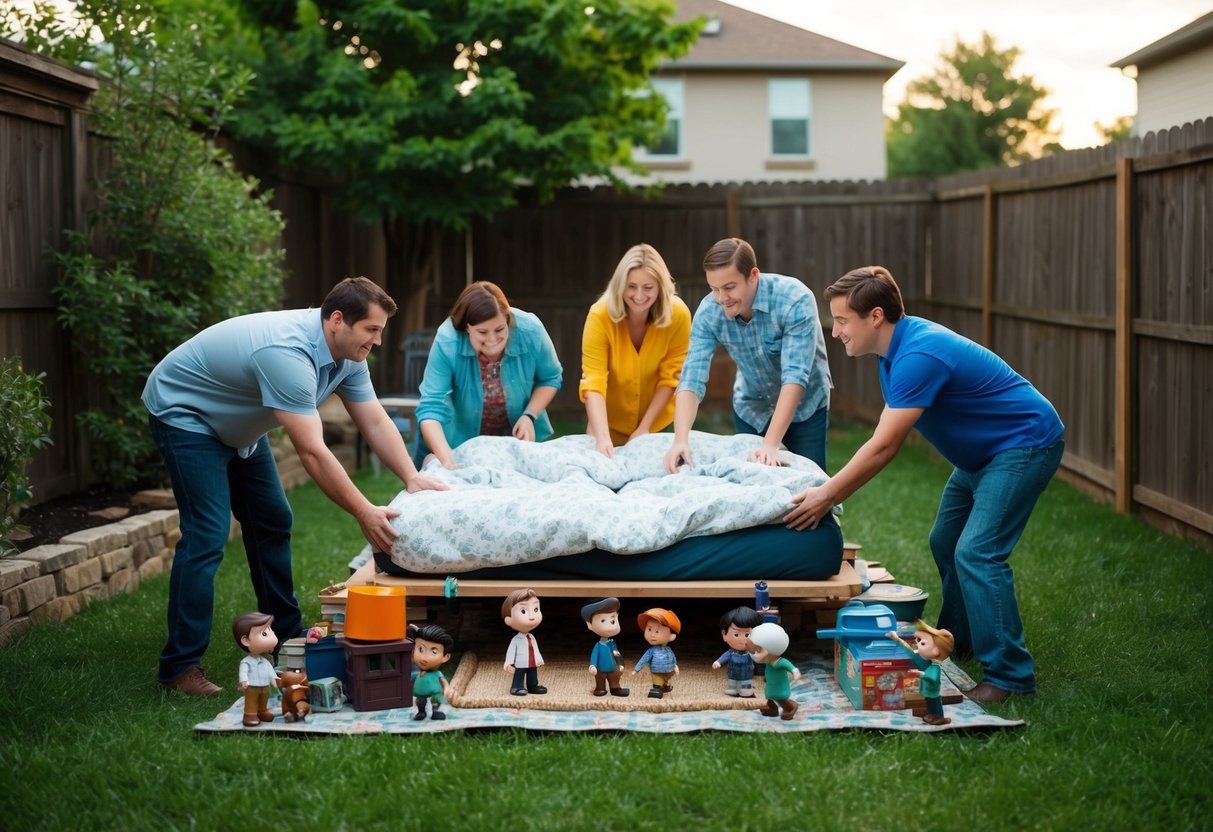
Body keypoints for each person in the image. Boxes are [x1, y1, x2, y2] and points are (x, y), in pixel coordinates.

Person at [144, 277, 448, 697]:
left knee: (272, 518)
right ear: (337, 320)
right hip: (187, 415)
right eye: (371, 330)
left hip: (239, 429)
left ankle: (286, 634)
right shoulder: (287, 354)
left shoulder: (348, 355)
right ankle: (179, 666)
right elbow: (312, 451)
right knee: (207, 534)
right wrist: (364, 511)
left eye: (380, 331)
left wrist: (411, 477)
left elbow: (374, 419)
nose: (377, 341)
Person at [786, 266, 1064, 703]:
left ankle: (1009, 674)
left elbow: (883, 447)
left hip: (1023, 445)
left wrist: (827, 495)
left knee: (978, 553)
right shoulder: (893, 351)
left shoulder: (919, 355)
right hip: (984, 455)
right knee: (945, 541)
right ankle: (960, 641)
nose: (835, 330)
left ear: (875, 316)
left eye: (841, 320)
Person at [663, 237, 833, 474]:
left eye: (729, 287)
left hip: (805, 407)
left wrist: (771, 445)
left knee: (810, 497)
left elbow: (795, 375)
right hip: (752, 409)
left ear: (753, 275)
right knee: (753, 493)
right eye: (714, 289)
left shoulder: (795, 299)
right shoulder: (710, 312)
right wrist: (680, 440)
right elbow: (691, 378)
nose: (722, 298)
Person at [414, 281, 563, 469]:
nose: (492, 340)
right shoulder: (447, 340)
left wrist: (529, 415)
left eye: (499, 329)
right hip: (455, 443)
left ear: (508, 320)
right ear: (467, 328)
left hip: (516, 441)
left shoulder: (531, 330)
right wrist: (446, 458)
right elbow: (430, 407)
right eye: (482, 332)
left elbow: (551, 377)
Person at [579, 243, 692, 457]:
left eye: (648, 287)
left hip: (657, 424)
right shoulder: (599, 316)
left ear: (660, 287)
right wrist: (602, 438)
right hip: (605, 424)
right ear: (620, 285)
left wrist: (645, 429)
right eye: (631, 286)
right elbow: (593, 382)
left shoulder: (679, 315)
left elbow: (671, 379)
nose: (639, 295)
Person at [887, 621, 955, 725]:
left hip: (933, 692)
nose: (918, 644)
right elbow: (909, 651)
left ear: (935, 651)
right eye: (918, 641)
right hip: (926, 690)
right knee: (928, 704)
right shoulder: (922, 659)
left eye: (922, 643)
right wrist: (897, 639)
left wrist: (919, 674)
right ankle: (932, 715)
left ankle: (939, 717)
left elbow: (933, 679)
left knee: (935, 704)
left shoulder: (935, 667)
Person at [233, 611, 279, 728]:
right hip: (252, 686)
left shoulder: (265, 661)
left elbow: (270, 672)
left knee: (264, 699)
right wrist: (243, 681)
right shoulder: (246, 661)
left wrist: (275, 679)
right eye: (264, 634)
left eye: (271, 631)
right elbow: (243, 672)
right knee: (251, 701)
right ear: (246, 640)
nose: (272, 637)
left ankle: (262, 711)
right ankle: (250, 715)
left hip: (265, 686)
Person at [748, 622, 800, 720]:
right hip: (771, 686)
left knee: (780, 698)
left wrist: (795, 671)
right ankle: (772, 709)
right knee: (769, 698)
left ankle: (790, 707)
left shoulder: (779, 662)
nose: (754, 654)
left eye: (757, 650)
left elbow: (790, 666)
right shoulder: (768, 662)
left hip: (780, 688)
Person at [581, 597, 630, 697]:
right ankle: (600, 688)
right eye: (603, 621)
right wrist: (592, 665)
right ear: (590, 625)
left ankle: (615, 688)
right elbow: (594, 656)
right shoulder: (598, 645)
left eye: (612, 621)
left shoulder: (612, 643)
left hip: (612, 668)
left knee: (615, 678)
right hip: (600, 670)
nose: (609, 626)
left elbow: (616, 653)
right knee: (600, 679)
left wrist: (621, 664)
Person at [502, 588, 547, 696]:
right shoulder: (516, 640)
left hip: (532, 663)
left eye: (536, 609)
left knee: (532, 674)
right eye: (523, 611)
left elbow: (535, 649)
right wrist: (508, 663)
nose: (532, 617)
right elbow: (511, 651)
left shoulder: (531, 637)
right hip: (520, 663)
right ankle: (517, 687)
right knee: (519, 675)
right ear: (509, 619)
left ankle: (532, 686)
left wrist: (539, 660)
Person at [712, 606, 763, 698]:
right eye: (736, 634)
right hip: (732, 670)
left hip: (746, 670)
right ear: (724, 635)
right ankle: (732, 688)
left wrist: (760, 657)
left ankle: (746, 689)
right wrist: (718, 662)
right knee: (732, 680)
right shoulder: (731, 653)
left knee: (746, 680)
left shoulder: (750, 652)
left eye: (747, 634)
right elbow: (725, 656)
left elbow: (757, 656)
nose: (742, 639)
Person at [633, 607, 681, 699]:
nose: (652, 634)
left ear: (671, 636)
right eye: (649, 629)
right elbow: (644, 659)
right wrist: (637, 669)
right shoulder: (651, 650)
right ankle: (657, 688)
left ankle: (665, 685)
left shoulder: (669, 650)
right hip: (656, 671)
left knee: (667, 677)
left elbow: (673, 658)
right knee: (657, 680)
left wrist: (675, 666)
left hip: (669, 670)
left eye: (657, 631)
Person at [411, 623, 454, 720]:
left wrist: (447, 688)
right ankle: (422, 713)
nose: (425, 657)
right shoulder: (416, 673)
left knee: (433, 703)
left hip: (434, 695)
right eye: (421, 649)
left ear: (445, 657)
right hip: (420, 696)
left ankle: (434, 713)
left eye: (434, 652)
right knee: (421, 703)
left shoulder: (437, 674)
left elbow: (444, 682)